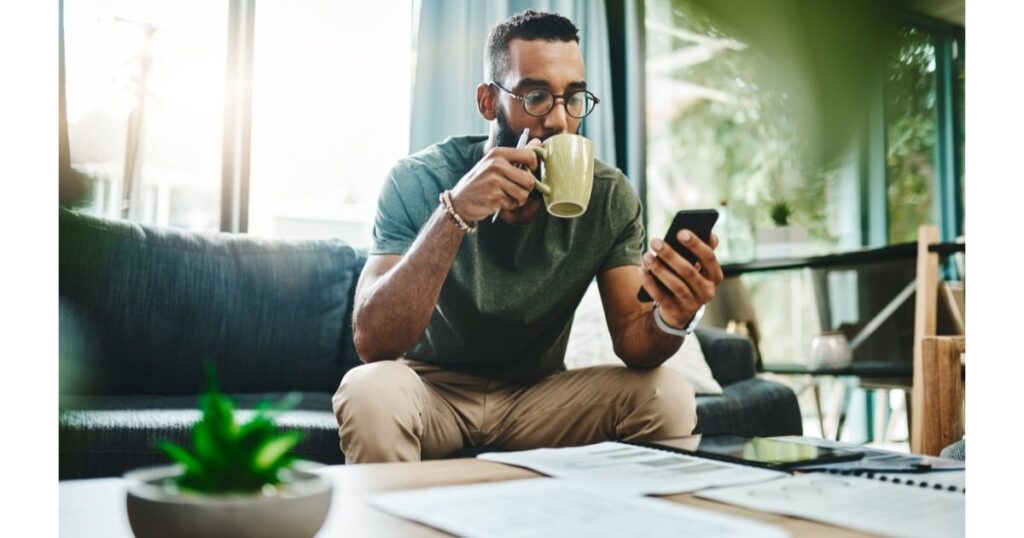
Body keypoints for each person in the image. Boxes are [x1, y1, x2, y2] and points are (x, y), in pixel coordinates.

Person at [332, 10, 723, 464]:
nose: (559, 121)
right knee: (367, 391)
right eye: (535, 96)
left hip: (539, 399)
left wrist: (674, 315)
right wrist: (454, 214)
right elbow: (373, 343)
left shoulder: (609, 196)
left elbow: (635, 345)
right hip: (431, 391)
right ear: (487, 102)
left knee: (667, 393)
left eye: (573, 98)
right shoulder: (416, 180)